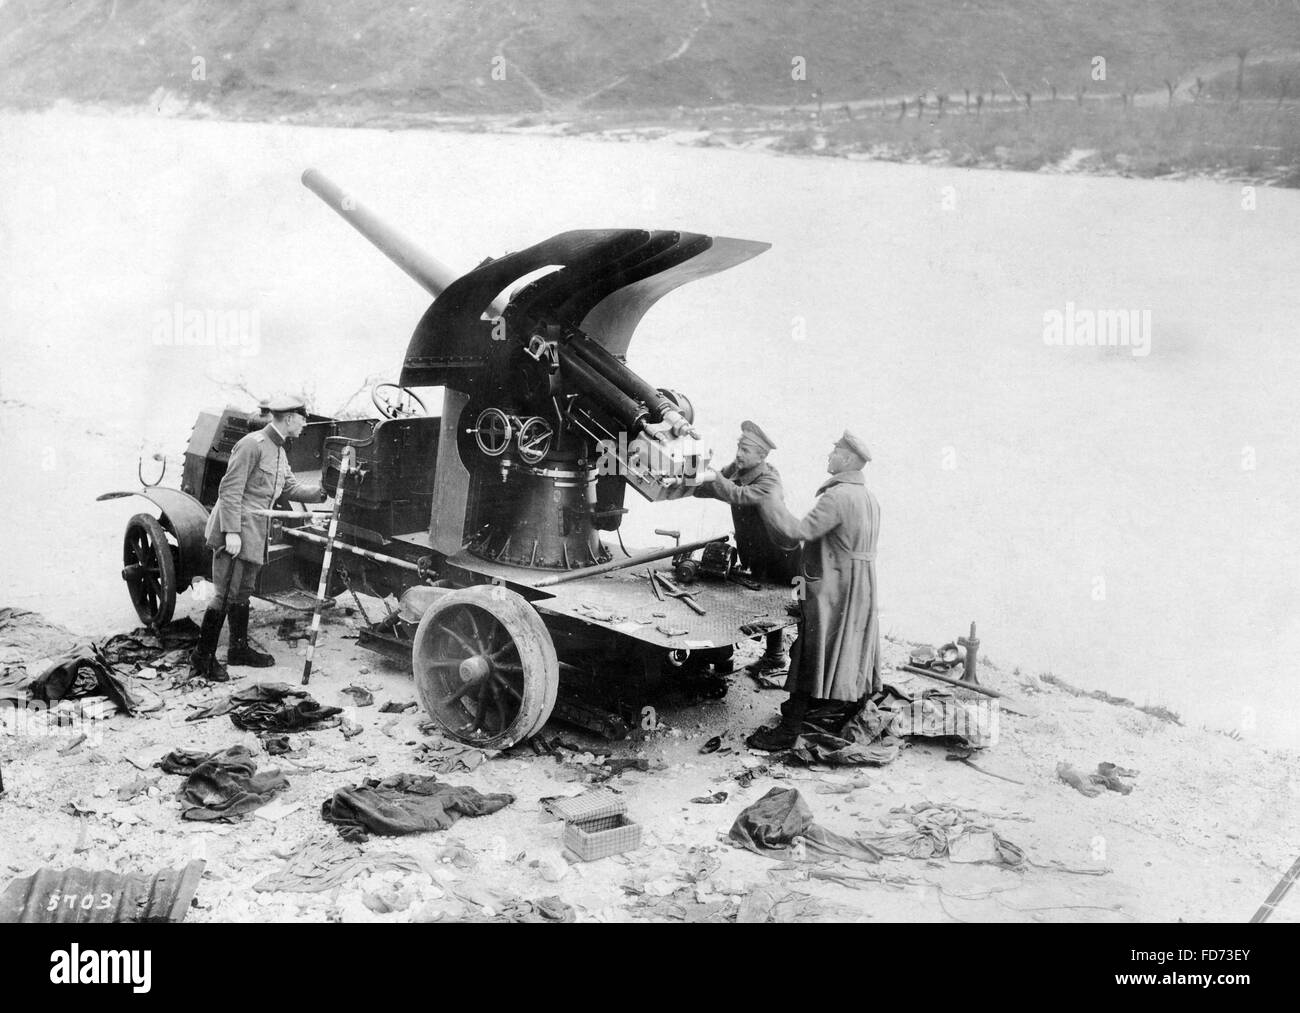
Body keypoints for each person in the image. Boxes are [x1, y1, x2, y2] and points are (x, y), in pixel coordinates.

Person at [745, 430, 881, 750]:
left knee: (810, 650)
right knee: (852, 646)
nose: (829, 456)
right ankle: (848, 706)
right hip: (860, 584)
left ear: (847, 459)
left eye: (835, 451)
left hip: (832, 586)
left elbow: (798, 531)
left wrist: (769, 500)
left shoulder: (837, 496)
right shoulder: (867, 497)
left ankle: (788, 730)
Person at [189, 397, 326, 681]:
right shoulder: (252, 444)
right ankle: (202, 659)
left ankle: (238, 650)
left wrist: (322, 492)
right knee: (225, 592)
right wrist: (231, 533)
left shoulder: (278, 450)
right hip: (237, 527)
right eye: (303, 418)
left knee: (243, 590)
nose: (305, 424)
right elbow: (229, 490)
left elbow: (288, 486)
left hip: (255, 530)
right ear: (289, 418)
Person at [694, 420, 800, 676]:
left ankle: (780, 658)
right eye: (738, 447)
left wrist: (710, 474)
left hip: (783, 554)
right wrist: (693, 475)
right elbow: (714, 487)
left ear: (761, 455)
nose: (739, 454)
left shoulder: (769, 481)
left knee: (777, 600)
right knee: (767, 596)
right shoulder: (740, 468)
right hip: (760, 551)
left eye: (745, 450)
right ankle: (774, 655)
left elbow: (737, 494)